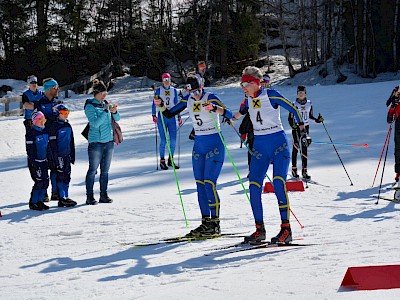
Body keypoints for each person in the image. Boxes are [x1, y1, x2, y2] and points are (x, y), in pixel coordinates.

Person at [232, 66, 308, 244]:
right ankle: (260, 230)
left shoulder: (271, 95)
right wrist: (216, 110)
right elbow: (235, 115)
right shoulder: (248, 99)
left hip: (278, 145)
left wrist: (302, 130)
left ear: (255, 83)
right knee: (253, 186)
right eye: (241, 84)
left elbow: (293, 108)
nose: (242, 87)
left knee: (279, 183)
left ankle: (286, 229)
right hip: (260, 146)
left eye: (245, 83)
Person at [154, 74, 233, 237]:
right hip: (199, 146)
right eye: (193, 92)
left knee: (209, 183)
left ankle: (215, 223)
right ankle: (205, 223)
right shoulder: (187, 99)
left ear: (201, 87)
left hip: (215, 143)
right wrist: (161, 105)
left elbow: (229, 114)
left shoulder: (211, 97)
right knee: (200, 184)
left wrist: (215, 108)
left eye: (198, 91)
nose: (196, 95)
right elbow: (169, 114)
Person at [84, 79, 120, 205]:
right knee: (93, 170)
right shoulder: (90, 106)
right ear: (96, 93)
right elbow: (94, 124)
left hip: (108, 141)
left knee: (105, 171)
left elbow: (118, 118)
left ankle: (103, 194)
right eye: (103, 94)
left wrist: (114, 111)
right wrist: (105, 111)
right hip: (96, 142)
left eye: (106, 94)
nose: (105, 96)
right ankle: (89, 196)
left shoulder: (105, 104)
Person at [34, 78, 62, 201]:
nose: (58, 90)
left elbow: (62, 118)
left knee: (56, 166)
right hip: (44, 140)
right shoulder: (39, 102)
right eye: (56, 87)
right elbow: (37, 121)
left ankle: (55, 192)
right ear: (50, 88)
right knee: (43, 166)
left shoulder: (59, 101)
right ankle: (43, 192)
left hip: (57, 139)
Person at [288, 86, 324, 180]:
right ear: (297, 94)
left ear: (305, 94)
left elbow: (310, 116)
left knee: (305, 147)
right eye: (299, 92)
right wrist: (293, 125)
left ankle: (304, 171)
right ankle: (294, 169)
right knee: (296, 147)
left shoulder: (309, 103)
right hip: (296, 128)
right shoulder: (294, 104)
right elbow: (290, 118)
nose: (301, 94)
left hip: (305, 127)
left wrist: (317, 120)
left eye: (302, 93)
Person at [48, 105, 77, 207]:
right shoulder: (54, 127)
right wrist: (55, 158)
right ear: (57, 113)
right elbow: (52, 145)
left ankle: (66, 196)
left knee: (67, 176)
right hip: (59, 156)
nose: (66, 115)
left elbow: (71, 141)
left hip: (67, 155)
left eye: (67, 113)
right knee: (60, 175)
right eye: (63, 113)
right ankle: (61, 197)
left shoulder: (68, 126)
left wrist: (72, 155)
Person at [151, 73, 181, 170]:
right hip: (162, 116)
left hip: (171, 116)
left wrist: (179, 116)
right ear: (162, 80)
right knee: (163, 140)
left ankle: (171, 159)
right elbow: (154, 103)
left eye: (168, 79)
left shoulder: (174, 90)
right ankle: (162, 160)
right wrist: (153, 114)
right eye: (165, 79)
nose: (166, 81)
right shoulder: (159, 90)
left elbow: (177, 104)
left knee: (173, 140)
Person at [25, 110, 50, 211]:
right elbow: (29, 150)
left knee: (45, 182)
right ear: (34, 121)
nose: (42, 121)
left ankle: (40, 201)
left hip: (44, 161)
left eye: (43, 119)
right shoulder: (31, 133)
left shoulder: (45, 131)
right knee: (39, 182)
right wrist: (33, 161)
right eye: (40, 119)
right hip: (35, 162)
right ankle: (33, 202)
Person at [188, 61, 208, 141]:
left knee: (200, 114)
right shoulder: (197, 77)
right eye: (201, 68)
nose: (203, 70)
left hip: (199, 98)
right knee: (199, 114)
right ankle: (194, 133)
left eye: (204, 68)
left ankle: (195, 133)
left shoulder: (201, 77)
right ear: (198, 68)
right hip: (195, 99)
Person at [386, 84, 400, 195]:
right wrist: (393, 105)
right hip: (398, 124)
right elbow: (389, 117)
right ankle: (398, 173)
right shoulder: (395, 94)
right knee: (398, 150)